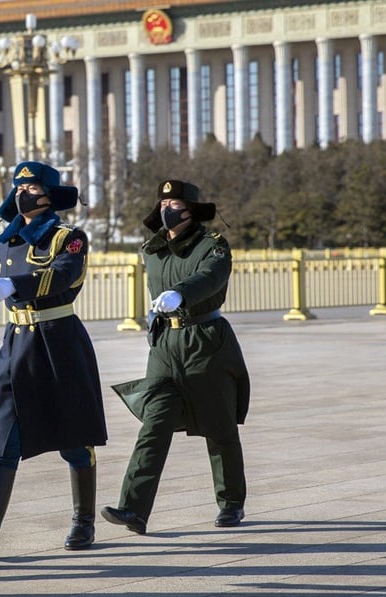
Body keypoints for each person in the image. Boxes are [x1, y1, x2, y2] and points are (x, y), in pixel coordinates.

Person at [101, 179, 250, 535]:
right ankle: (133, 509)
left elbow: (211, 277)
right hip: (165, 345)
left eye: (176, 203)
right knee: (154, 424)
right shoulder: (152, 249)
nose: (168, 208)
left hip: (205, 342)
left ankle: (231, 503)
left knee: (219, 427)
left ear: (192, 209)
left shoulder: (213, 246)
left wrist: (181, 294)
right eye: (164, 202)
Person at [0, 161, 108, 554]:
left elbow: (61, 275)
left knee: (74, 435)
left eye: (31, 187)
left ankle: (83, 521)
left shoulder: (70, 237)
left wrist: (16, 284)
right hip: (17, 341)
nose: (22, 193)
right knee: (1, 433)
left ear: (49, 194)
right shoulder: (7, 240)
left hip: (58, 340)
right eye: (18, 187)